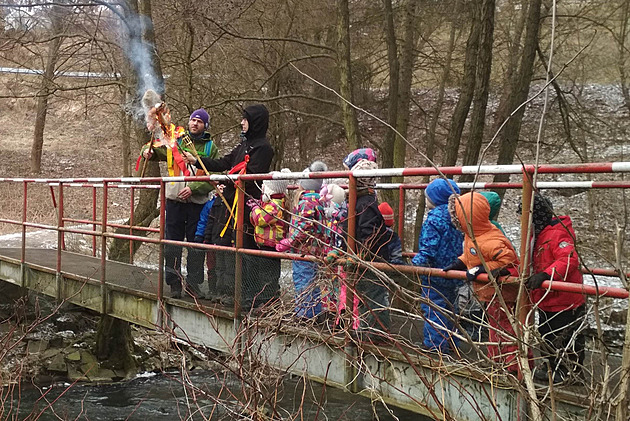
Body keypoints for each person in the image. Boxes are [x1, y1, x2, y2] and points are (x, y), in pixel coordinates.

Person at [185, 104, 274, 308]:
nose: (241, 123)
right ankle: (227, 290)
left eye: (245, 119)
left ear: (255, 122)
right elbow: (224, 162)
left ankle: (246, 293)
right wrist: (197, 162)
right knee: (224, 244)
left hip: (247, 205)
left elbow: (250, 176)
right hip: (229, 203)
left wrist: (227, 180)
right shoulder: (243, 145)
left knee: (245, 247)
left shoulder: (263, 148)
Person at [142, 108, 219, 299]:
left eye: (199, 121)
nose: (194, 123)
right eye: (193, 120)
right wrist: (146, 152)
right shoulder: (175, 141)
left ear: (205, 126)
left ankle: (193, 285)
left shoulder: (211, 148)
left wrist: (194, 188)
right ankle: (174, 284)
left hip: (197, 203)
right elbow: (153, 149)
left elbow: (213, 177)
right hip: (174, 200)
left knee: (196, 245)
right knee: (172, 243)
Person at [445, 192, 523, 372]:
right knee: (494, 327)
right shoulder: (473, 235)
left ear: (468, 218)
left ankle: (512, 365)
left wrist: (481, 269)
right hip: (490, 293)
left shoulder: (490, 239)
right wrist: (459, 263)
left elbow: (507, 260)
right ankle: (496, 360)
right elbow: (471, 254)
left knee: (506, 328)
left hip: (503, 293)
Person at [522, 194, 586, 384]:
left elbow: (568, 259)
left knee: (565, 336)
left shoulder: (557, 233)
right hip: (547, 298)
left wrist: (547, 274)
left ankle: (569, 372)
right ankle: (552, 366)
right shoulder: (538, 235)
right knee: (547, 333)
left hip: (564, 299)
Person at [330, 154, 392, 344]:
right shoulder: (358, 203)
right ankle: (368, 330)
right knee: (365, 295)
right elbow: (349, 231)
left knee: (373, 295)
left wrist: (360, 256)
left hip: (371, 261)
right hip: (361, 259)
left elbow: (369, 235)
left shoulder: (366, 205)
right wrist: (340, 250)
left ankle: (376, 333)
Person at [411, 178, 463, 355]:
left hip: (435, 272)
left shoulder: (434, 219)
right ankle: (452, 342)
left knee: (434, 308)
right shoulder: (459, 215)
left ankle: (435, 346)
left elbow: (429, 247)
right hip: (455, 270)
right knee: (450, 309)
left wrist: (415, 264)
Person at [276, 161, 330, 320]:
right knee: (313, 281)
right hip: (316, 249)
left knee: (303, 281)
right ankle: (315, 311)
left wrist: (289, 242)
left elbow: (303, 227)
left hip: (304, 250)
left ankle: (305, 315)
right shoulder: (320, 199)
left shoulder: (307, 201)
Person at [247, 169, 292, 308]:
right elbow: (254, 220)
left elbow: (260, 219)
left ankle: (269, 302)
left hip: (271, 245)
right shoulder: (269, 202)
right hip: (264, 244)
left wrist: (255, 208)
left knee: (268, 276)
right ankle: (264, 300)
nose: (262, 187)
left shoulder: (275, 204)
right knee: (263, 274)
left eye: (265, 185)